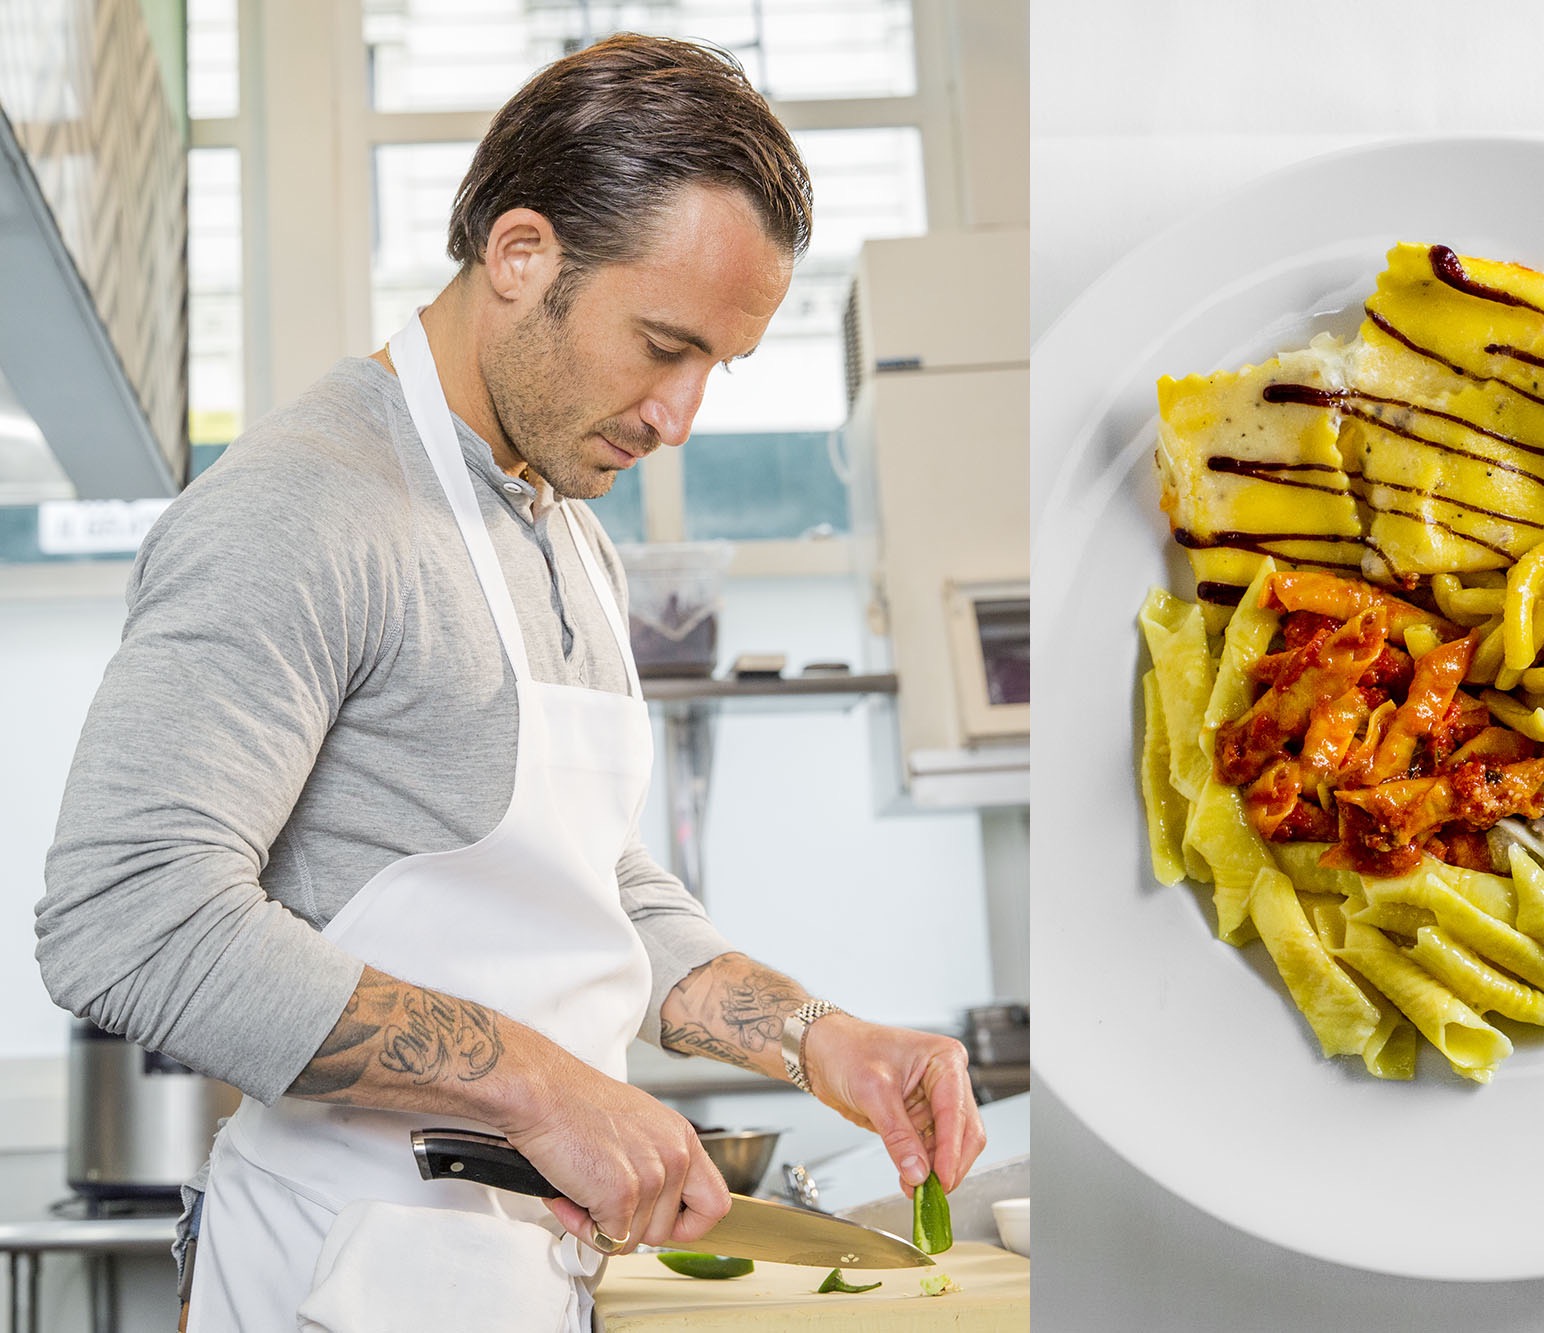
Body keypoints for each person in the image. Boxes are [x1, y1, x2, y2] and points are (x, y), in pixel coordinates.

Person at [36, 34, 985, 1333]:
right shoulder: (299, 507)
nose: (679, 420)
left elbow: (596, 887)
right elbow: (123, 916)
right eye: (663, 344)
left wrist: (817, 1035)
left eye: (719, 366)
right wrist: (540, 1086)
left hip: (517, 1287)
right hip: (332, 1284)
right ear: (522, 254)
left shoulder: (566, 529)